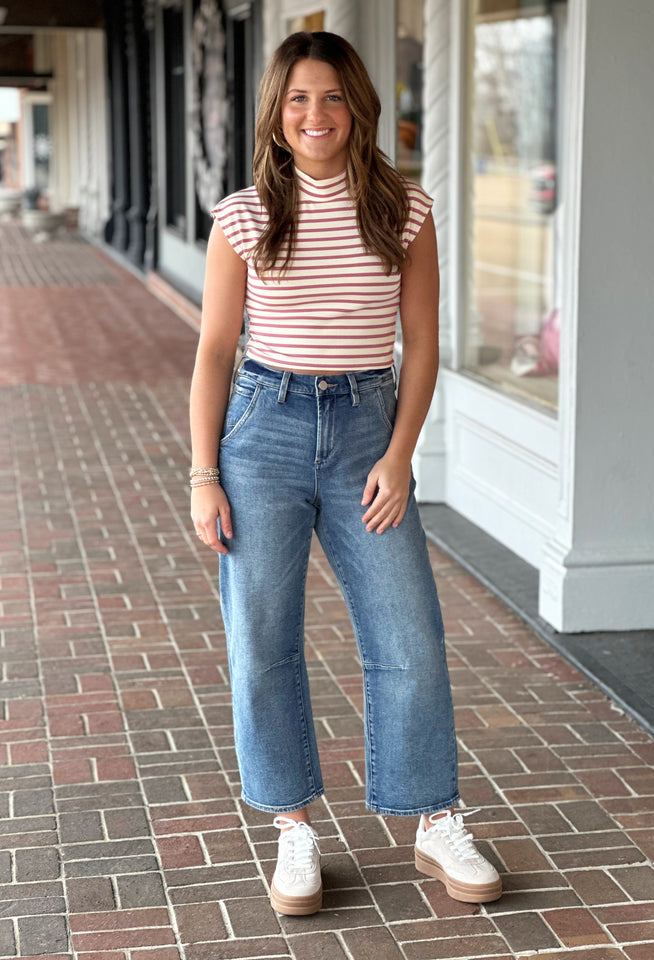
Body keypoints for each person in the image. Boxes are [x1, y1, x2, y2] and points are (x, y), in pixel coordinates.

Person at [189, 30, 502, 916]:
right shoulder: (244, 215)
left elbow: (425, 344)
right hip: (264, 433)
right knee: (263, 642)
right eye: (297, 99)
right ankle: (294, 828)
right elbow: (215, 351)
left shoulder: (404, 208)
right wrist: (202, 473)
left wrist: (401, 455)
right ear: (276, 115)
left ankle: (433, 816)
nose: (315, 114)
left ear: (357, 107)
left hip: (368, 431)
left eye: (330, 97)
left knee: (408, 638)